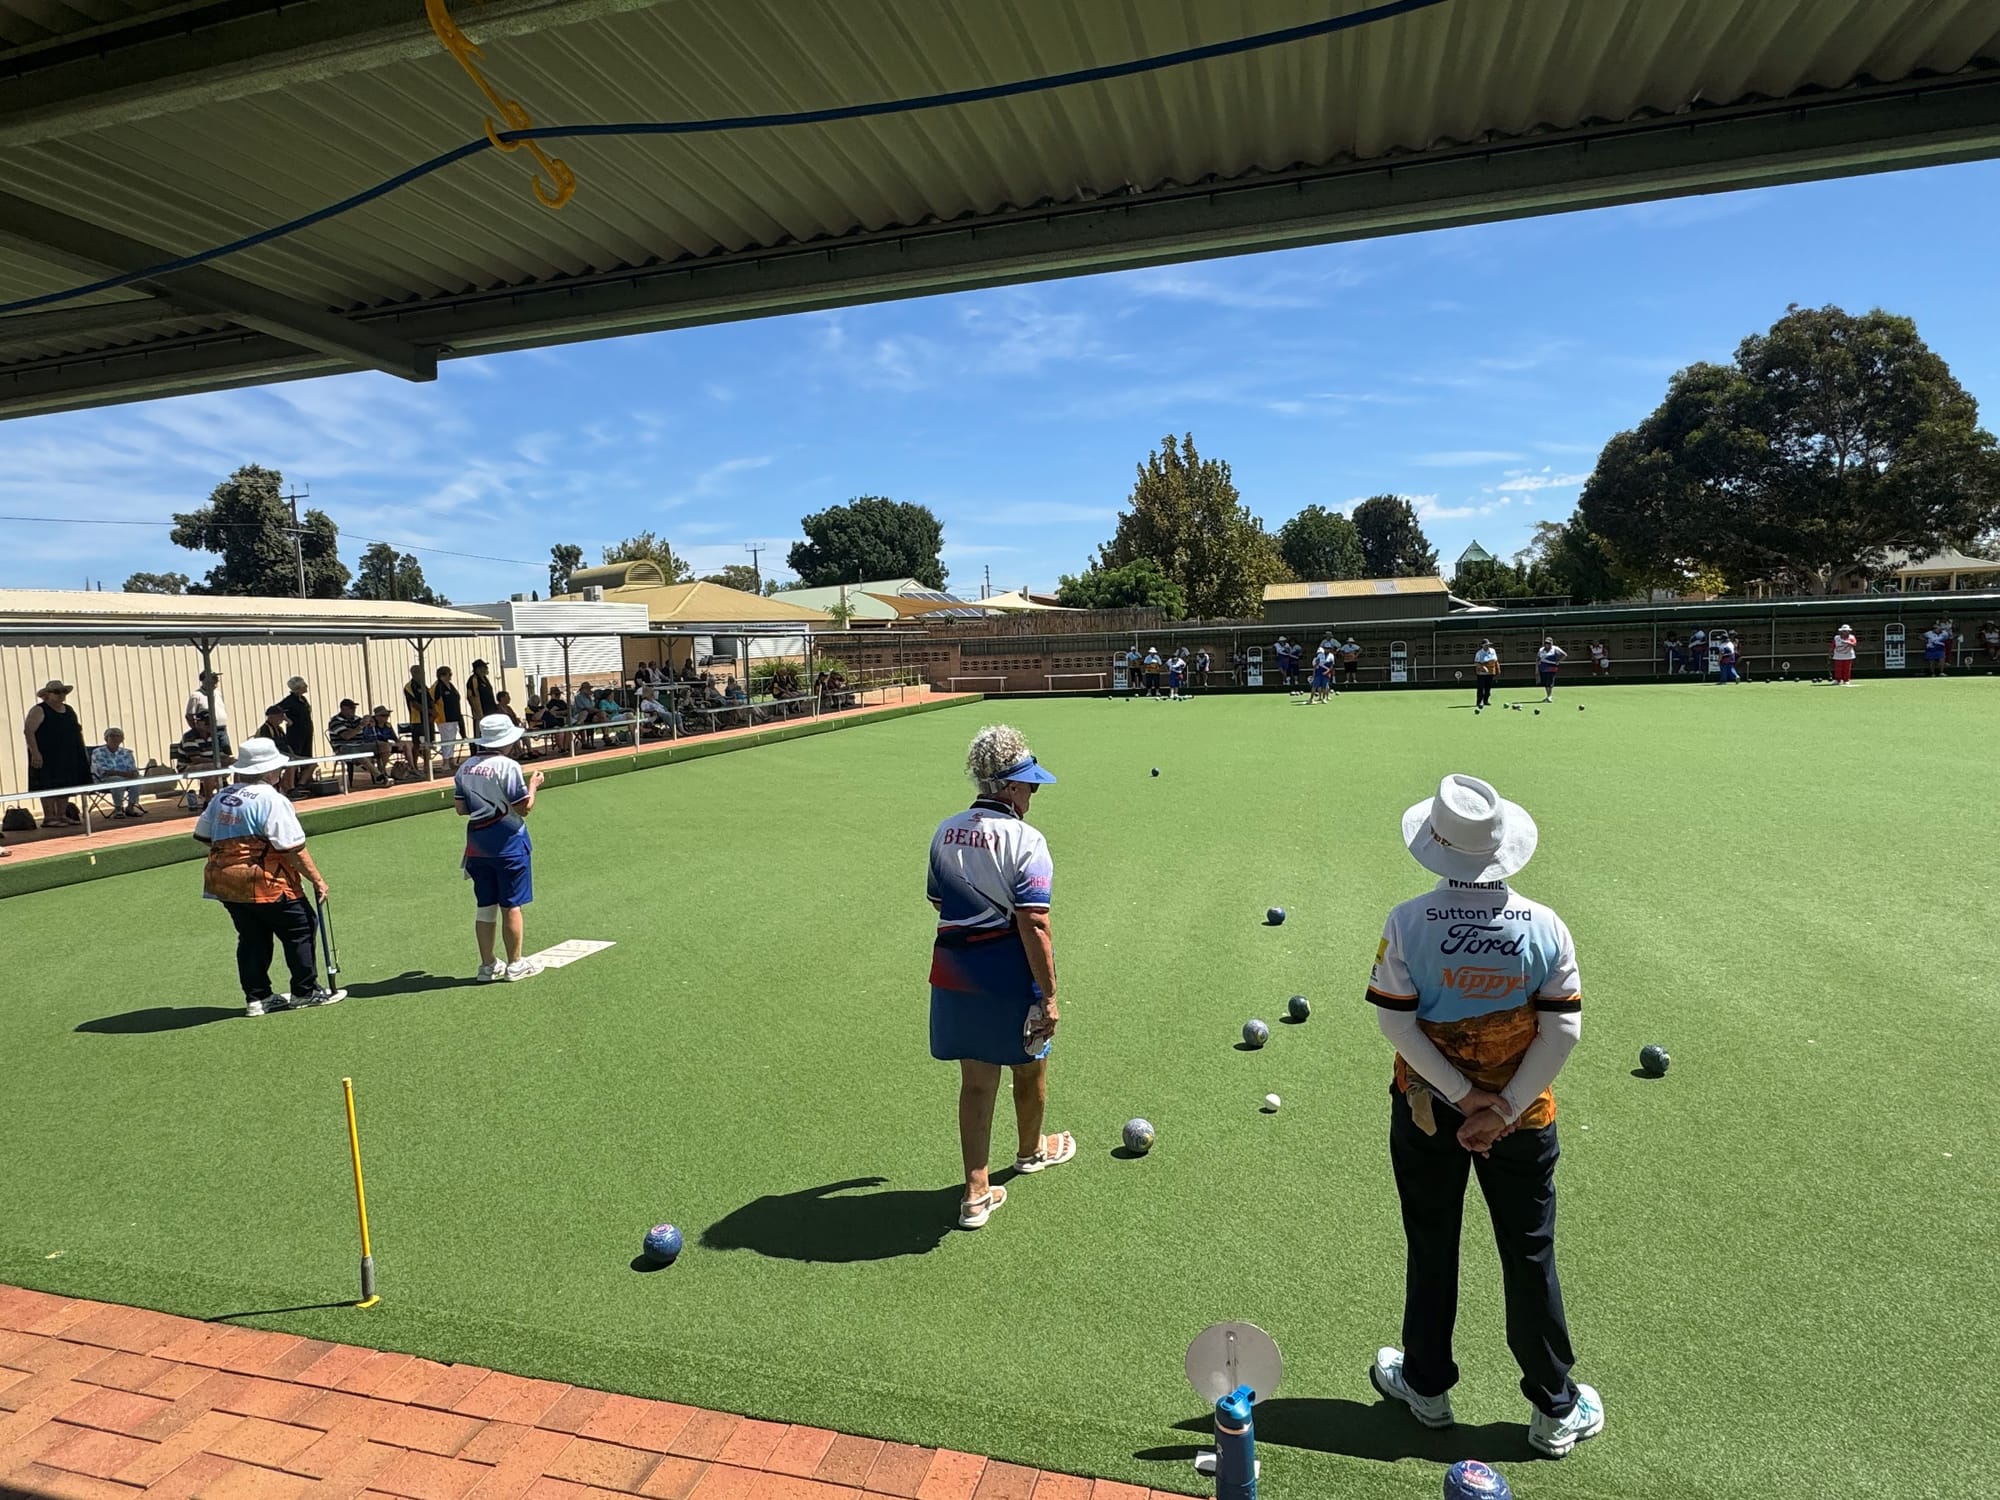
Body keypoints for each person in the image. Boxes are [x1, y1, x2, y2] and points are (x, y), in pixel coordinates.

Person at [1363, 773, 1601, 1459]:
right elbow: (1563, 1033)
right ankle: (1554, 1407)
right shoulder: (1546, 924)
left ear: (1436, 846)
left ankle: (1427, 1388)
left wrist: (1463, 1100)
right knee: (1529, 1253)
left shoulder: (1407, 920)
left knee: (1432, 1241)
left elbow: (1395, 1024)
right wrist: (1500, 1111)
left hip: (1427, 1112)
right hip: (1522, 1123)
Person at [928, 724, 1072, 1230]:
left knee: (975, 1081)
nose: (1033, 794)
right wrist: (1050, 996)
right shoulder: (1026, 840)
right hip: (1009, 973)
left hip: (954, 972)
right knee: (1030, 1067)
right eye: (1030, 785)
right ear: (1009, 786)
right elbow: (1034, 921)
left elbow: (939, 901)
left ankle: (974, 1193)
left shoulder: (944, 830)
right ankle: (1031, 1151)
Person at [193, 737, 344, 1016]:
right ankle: (305, 991)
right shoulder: (272, 800)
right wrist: (317, 879)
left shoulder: (222, 796)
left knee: (251, 937)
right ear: (269, 771)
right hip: (266, 881)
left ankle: (257, 997)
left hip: (225, 882)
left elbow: (202, 835)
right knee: (300, 927)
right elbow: (292, 848)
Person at [455, 714, 545, 982]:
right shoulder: (508, 767)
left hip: (477, 846)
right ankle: (515, 963)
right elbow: (523, 808)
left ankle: (487, 965)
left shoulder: (465, 767)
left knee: (485, 906)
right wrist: (534, 785)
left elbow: (461, 808)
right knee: (511, 905)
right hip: (508, 844)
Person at [24, 679, 89, 826]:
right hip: (47, 755)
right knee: (48, 784)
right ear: (47, 695)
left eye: (63, 692)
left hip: (68, 754)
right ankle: (49, 817)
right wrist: (35, 752)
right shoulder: (39, 710)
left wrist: (82, 752)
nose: (61, 695)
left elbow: (77, 731)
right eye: (57, 692)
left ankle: (61, 814)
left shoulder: (69, 710)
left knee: (66, 783)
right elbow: (29, 731)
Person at [90, 726, 145, 818]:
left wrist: (134, 773)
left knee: (140, 779)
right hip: (103, 780)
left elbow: (132, 767)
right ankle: (118, 809)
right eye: (112, 736)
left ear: (122, 739)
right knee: (118, 780)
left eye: (118, 736)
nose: (115, 738)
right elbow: (103, 771)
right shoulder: (98, 752)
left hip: (126, 777)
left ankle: (130, 807)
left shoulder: (127, 752)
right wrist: (124, 774)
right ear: (106, 739)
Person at [279, 676, 315, 789]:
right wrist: (287, 720)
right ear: (298, 688)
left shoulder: (303, 699)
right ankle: (293, 784)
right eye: (304, 685)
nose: (306, 687)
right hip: (296, 734)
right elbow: (276, 709)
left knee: (307, 755)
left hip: (307, 732)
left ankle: (306, 780)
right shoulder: (289, 701)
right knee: (297, 756)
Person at [186, 670, 231, 757]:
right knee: (214, 756)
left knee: (226, 754)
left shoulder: (217, 693)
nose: (216, 680)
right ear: (204, 680)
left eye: (216, 678)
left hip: (222, 729)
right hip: (209, 731)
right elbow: (189, 715)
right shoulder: (196, 695)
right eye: (213, 678)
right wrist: (197, 730)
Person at [433, 665, 465, 765]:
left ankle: (451, 759)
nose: (451, 676)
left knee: (452, 738)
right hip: (444, 717)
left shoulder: (450, 685)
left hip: (454, 716)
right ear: (442, 675)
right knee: (446, 739)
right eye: (449, 674)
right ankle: (445, 761)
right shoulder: (438, 686)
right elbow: (432, 701)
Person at [403, 666, 433, 768]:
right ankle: (414, 766)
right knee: (417, 744)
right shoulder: (409, 686)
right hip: (417, 720)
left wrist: (432, 712)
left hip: (428, 719)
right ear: (413, 673)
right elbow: (413, 703)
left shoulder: (424, 685)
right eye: (419, 672)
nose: (422, 674)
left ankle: (427, 766)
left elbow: (430, 700)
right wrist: (428, 711)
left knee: (427, 742)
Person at [1535, 637, 1566, 701]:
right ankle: (1548, 696)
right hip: (1543, 667)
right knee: (1545, 682)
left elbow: (1565, 655)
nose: (1547, 644)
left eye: (1549, 643)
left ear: (1552, 643)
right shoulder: (1541, 650)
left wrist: (1558, 661)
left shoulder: (1555, 648)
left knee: (1550, 681)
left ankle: (1549, 696)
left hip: (1552, 667)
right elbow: (1537, 659)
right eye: (1546, 643)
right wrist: (1536, 669)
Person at [1472, 639, 1499, 710]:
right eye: (1486, 645)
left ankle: (1486, 701)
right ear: (1482, 645)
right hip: (1481, 673)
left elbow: (1495, 661)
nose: (1487, 646)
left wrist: (1497, 670)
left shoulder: (1492, 651)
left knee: (1488, 688)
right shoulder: (1479, 653)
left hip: (1490, 673)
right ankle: (1479, 702)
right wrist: (1483, 667)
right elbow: (1476, 663)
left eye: (1488, 645)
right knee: (1481, 688)